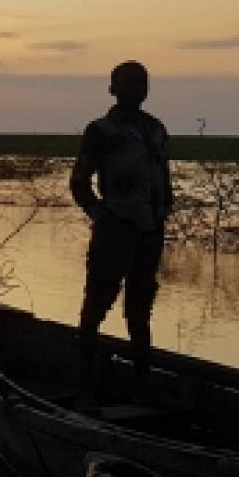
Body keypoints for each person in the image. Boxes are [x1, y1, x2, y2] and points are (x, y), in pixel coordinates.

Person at [70, 61, 173, 407]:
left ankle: (141, 390)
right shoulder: (101, 131)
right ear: (112, 89)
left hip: (148, 235)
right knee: (95, 308)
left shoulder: (156, 129)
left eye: (141, 83)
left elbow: (164, 182)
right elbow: (79, 184)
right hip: (113, 233)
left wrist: (160, 221)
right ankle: (85, 389)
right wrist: (103, 217)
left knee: (140, 313)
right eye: (127, 84)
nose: (135, 90)